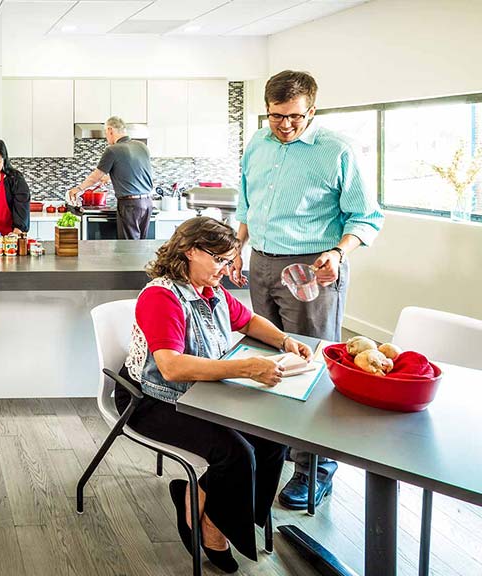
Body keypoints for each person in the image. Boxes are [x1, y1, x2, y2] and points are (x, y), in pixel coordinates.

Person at [117, 217, 312, 573]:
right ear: (190, 251)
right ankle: (212, 527)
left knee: (271, 440)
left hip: (201, 393)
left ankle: (203, 502)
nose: (225, 269)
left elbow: (250, 322)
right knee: (235, 452)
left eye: (228, 260)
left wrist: (285, 340)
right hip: (150, 399)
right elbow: (171, 368)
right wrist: (246, 368)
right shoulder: (162, 296)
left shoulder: (213, 291)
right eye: (219, 260)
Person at [232, 70, 384, 511]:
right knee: (267, 358)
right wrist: (237, 248)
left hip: (311, 268)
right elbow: (247, 203)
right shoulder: (257, 144)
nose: (285, 125)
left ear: (311, 111)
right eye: (276, 116)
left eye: (295, 117)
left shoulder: (336, 149)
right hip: (260, 262)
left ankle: (314, 471)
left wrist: (339, 253)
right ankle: (271, 453)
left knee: (312, 363)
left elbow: (365, 216)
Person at [68, 116, 154, 239]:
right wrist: (109, 178)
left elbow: (95, 177)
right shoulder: (142, 146)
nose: (106, 137)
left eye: (106, 133)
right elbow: (138, 171)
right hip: (147, 203)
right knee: (140, 246)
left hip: (129, 205)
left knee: (128, 248)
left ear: (110, 130)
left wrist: (78, 189)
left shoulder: (112, 150)